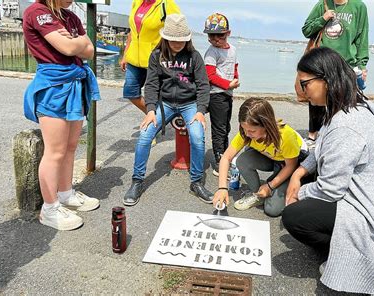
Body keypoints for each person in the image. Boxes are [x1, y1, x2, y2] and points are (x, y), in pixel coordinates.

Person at [282, 47, 374, 293]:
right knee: (303, 174)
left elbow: (330, 190)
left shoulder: (345, 127)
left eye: (305, 84)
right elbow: (320, 149)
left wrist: (298, 195)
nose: (302, 92)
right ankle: (341, 243)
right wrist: (298, 174)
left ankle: (352, 254)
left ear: (327, 80)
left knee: (294, 216)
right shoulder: (354, 105)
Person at [22, 0, 100, 230]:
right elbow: (68, 49)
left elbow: (91, 50)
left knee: (71, 146)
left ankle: (66, 193)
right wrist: (78, 43)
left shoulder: (71, 17)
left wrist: (75, 42)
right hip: (53, 87)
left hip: (75, 83)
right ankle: (50, 207)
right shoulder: (37, 12)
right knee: (55, 151)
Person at [123, 14, 213, 206]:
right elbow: (152, 85)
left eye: (181, 40)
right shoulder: (156, 56)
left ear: (187, 39)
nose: (177, 43)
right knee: (145, 135)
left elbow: (204, 85)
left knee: (197, 136)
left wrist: (200, 110)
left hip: (190, 103)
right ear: (166, 37)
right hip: (164, 104)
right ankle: (137, 180)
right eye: (173, 39)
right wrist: (149, 109)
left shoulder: (194, 57)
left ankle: (196, 181)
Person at [212, 98, 308, 217]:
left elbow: (291, 165)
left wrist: (270, 185)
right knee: (243, 160)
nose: (247, 134)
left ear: (266, 125)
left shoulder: (285, 136)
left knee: (272, 210)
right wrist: (222, 188)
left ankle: (299, 182)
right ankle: (258, 194)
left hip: (292, 163)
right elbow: (226, 158)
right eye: (244, 129)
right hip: (271, 157)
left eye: (252, 131)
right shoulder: (246, 132)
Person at [302, 0, 369, 147]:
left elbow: (362, 38)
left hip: (347, 64)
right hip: (322, 62)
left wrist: (362, 64)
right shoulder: (322, 4)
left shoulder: (358, 7)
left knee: (347, 101)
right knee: (316, 99)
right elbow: (306, 30)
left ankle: (345, 135)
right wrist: (323, 18)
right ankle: (313, 135)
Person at [119, 0, 180, 113]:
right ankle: (157, 118)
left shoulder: (167, 4)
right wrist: (125, 55)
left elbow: (178, 31)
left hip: (155, 59)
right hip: (133, 58)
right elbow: (132, 31)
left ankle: (159, 120)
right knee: (130, 92)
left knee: (156, 95)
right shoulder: (137, 2)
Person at [203, 13, 240, 176]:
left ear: (228, 33)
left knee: (226, 127)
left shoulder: (233, 50)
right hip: (216, 94)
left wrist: (236, 79)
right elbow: (209, 76)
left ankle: (225, 155)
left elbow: (234, 67)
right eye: (212, 36)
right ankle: (219, 161)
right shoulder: (211, 53)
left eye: (220, 35)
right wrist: (227, 84)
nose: (216, 39)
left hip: (227, 94)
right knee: (219, 129)